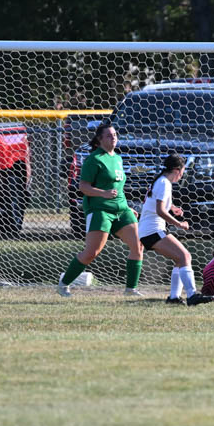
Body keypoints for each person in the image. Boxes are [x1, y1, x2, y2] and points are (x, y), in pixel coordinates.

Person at [58, 122, 145, 297]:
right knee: (92, 253)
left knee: (138, 246)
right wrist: (103, 194)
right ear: (99, 139)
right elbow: (83, 187)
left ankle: (130, 289)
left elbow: (117, 188)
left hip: (121, 210)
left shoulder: (118, 158)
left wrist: (127, 207)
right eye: (109, 135)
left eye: (115, 135)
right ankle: (64, 284)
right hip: (100, 210)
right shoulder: (94, 159)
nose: (114, 138)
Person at [137, 154, 213, 306]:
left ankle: (174, 298)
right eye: (183, 171)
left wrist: (172, 208)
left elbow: (157, 202)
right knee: (185, 256)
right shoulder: (164, 183)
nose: (183, 174)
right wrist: (179, 224)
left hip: (149, 230)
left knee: (180, 259)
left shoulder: (161, 181)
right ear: (177, 170)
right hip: (152, 231)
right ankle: (192, 296)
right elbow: (159, 210)